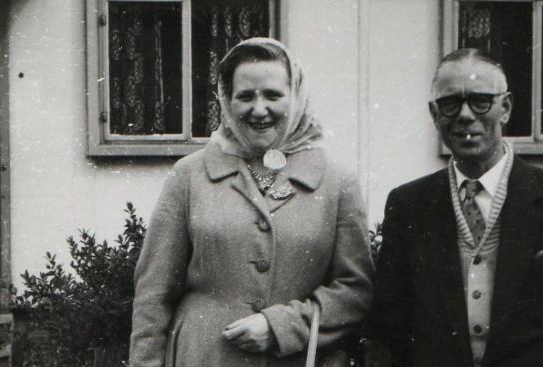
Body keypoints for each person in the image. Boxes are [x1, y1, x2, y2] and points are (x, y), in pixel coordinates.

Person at [364, 48, 543, 367]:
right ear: (434, 114)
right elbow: (388, 329)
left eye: (481, 100)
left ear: (506, 107)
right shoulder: (408, 205)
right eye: (451, 103)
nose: (465, 115)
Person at [130, 38, 374, 366]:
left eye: (273, 95)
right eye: (245, 96)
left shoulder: (336, 182)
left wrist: (283, 326)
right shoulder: (189, 175)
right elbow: (153, 294)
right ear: (227, 101)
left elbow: (354, 289)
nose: (259, 110)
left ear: (296, 96)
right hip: (203, 357)